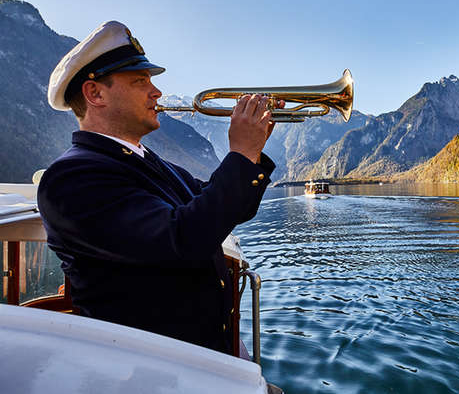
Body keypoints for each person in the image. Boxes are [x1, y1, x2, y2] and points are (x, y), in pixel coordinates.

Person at [37, 21, 278, 355]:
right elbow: (182, 238)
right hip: (152, 369)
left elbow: (225, 208)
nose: (156, 92)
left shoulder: (147, 161)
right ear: (95, 93)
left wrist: (251, 155)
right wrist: (240, 154)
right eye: (140, 81)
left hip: (201, 353)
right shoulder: (71, 178)